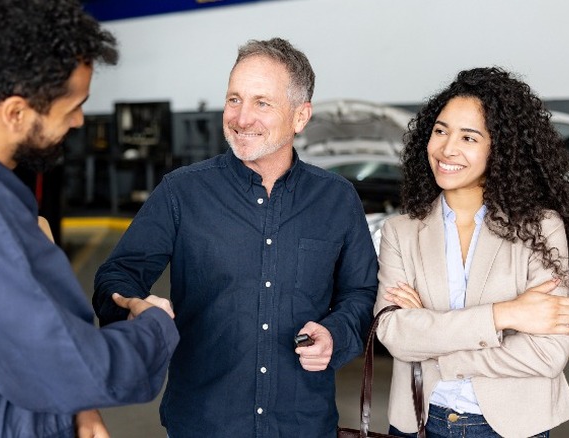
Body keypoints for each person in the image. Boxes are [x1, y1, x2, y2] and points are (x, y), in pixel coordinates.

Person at [0, 1, 179, 436]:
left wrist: (78, 409)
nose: (79, 121)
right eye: (72, 107)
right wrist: (155, 326)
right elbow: (65, 364)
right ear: (16, 112)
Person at [93, 37, 378, 437]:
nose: (242, 118)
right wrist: (133, 305)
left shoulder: (336, 199)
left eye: (262, 102)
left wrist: (337, 334)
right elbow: (116, 276)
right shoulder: (181, 193)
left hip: (302, 424)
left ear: (300, 116)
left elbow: (362, 292)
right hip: (204, 423)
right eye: (234, 99)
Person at [374, 67, 569, 438]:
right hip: (418, 422)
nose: (447, 148)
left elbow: (547, 354)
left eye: (469, 137)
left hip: (512, 426)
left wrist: (434, 346)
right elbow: (393, 332)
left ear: (501, 149)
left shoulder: (540, 228)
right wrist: (506, 314)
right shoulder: (400, 230)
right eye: (440, 131)